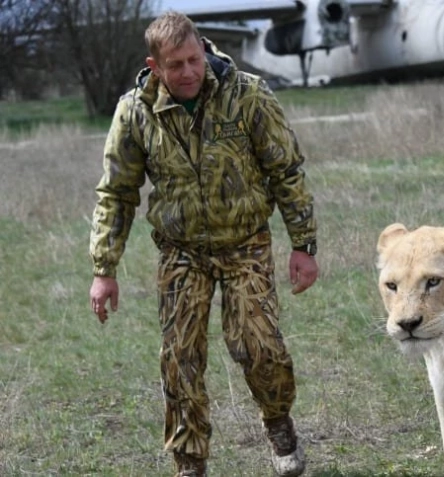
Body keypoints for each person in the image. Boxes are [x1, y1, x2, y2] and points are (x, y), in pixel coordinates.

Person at [88, 10, 318, 477]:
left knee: (259, 347)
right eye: (176, 65)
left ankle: (278, 423)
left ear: (203, 50)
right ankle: (189, 463)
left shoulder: (247, 94)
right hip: (181, 251)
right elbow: (116, 192)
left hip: (245, 243)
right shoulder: (135, 112)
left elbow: (286, 170)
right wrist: (103, 269)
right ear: (155, 67)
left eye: (194, 60)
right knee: (180, 359)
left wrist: (303, 245)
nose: (189, 72)